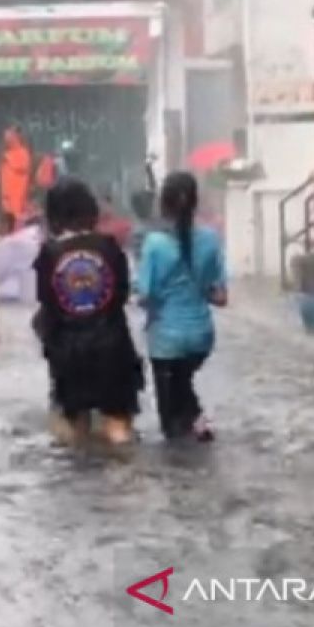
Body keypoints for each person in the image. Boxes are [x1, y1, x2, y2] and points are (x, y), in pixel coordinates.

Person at [32, 179, 142, 447]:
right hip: (113, 348)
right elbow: (122, 295)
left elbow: (47, 303)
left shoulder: (48, 254)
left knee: (74, 433)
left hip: (68, 352)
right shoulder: (110, 247)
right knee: (117, 428)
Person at [136, 172, 227, 442]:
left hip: (165, 340)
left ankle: (197, 424)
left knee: (169, 426)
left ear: (164, 203)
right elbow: (220, 296)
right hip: (201, 337)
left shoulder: (154, 244)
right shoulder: (211, 240)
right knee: (182, 383)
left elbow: (144, 295)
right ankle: (197, 423)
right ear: (194, 202)